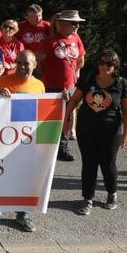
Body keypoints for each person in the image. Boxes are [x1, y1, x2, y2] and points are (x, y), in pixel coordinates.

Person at [64, 49, 127, 216]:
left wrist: (126, 134)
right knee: (89, 164)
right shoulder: (88, 78)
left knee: (108, 164)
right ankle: (88, 198)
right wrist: (66, 122)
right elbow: (74, 100)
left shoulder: (121, 83)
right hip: (86, 129)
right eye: (101, 63)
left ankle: (112, 193)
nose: (104, 67)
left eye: (109, 64)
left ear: (115, 65)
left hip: (111, 131)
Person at [0, 50, 44, 232]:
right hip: (3, 141)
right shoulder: (3, 81)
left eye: (26, 63)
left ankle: (23, 214)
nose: (22, 67)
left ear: (34, 65)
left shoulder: (39, 85)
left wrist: (61, 101)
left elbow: (44, 113)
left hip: (27, 143)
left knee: (25, 178)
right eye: (19, 63)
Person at [39, 9, 86, 162]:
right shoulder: (49, 41)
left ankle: (63, 147)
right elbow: (38, 62)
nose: (76, 27)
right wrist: (48, 74)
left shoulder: (76, 38)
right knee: (50, 118)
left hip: (70, 86)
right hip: (51, 87)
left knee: (66, 118)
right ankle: (48, 148)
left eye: (78, 24)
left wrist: (75, 72)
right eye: (73, 23)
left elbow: (81, 58)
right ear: (61, 24)